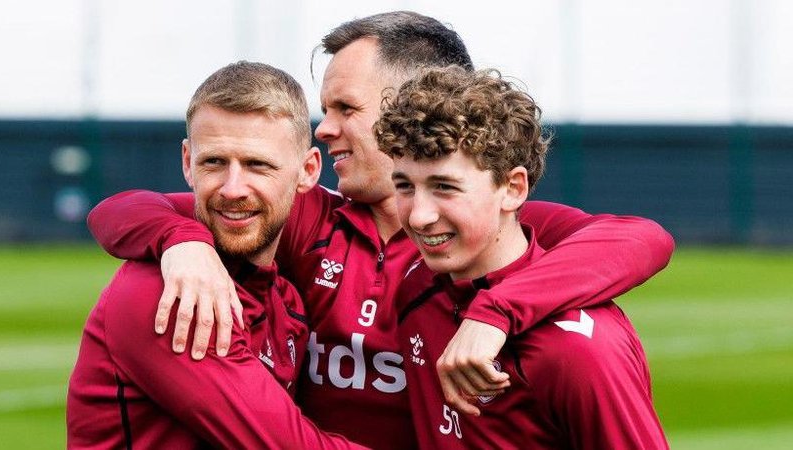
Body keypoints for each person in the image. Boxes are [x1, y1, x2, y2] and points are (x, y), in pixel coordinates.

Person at [86, 11, 674, 450]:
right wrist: (181, 241)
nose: (325, 128)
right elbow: (127, 208)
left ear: (413, 103)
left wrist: (496, 311)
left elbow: (642, 239)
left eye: (345, 108)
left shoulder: (491, 231)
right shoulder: (306, 215)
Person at [67, 61, 367, 449]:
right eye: (214, 162)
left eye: (257, 165)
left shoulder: (285, 300)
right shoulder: (169, 295)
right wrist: (181, 238)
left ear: (307, 171)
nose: (233, 188)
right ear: (187, 162)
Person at [378, 66, 668, 449]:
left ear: (513, 189)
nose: (418, 216)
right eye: (405, 186)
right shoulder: (419, 286)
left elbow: (644, 237)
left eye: (445, 188)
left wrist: (493, 311)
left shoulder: (578, 351)